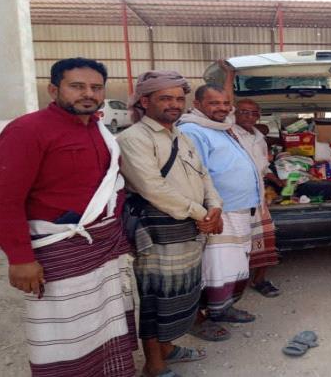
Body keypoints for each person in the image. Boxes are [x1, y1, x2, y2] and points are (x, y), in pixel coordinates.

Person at [0, 57, 137, 376]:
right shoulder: (27, 130)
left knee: (107, 320)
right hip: (60, 249)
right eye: (77, 86)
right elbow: (7, 200)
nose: (89, 94)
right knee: (66, 332)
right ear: (54, 90)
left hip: (105, 245)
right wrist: (20, 258)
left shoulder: (99, 129)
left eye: (96, 87)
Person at [118, 70, 223, 377]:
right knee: (158, 298)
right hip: (157, 230)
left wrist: (215, 207)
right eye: (165, 98)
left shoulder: (182, 136)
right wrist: (202, 214)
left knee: (183, 293)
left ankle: (167, 348)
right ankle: (154, 364)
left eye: (179, 98)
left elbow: (204, 176)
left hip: (190, 227)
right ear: (144, 101)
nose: (174, 104)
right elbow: (153, 188)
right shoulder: (132, 138)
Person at [178, 85, 262, 334]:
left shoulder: (220, 127)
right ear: (197, 104)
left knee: (231, 264)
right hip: (218, 212)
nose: (223, 108)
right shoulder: (192, 130)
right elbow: (195, 177)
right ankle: (201, 317)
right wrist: (208, 211)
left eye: (226, 103)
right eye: (214, 103)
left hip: (238, 207)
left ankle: (222, 308)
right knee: (213, 266)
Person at [232, 98, 282, 297]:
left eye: (254, 113)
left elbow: (263, 166)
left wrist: (277, 181)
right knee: (236, 246)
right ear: (234, 113)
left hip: (258, 199)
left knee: (265, 240)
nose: (249, 116)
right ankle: (231, 287)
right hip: (235, 200)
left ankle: (259, 280)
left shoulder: (260, 137)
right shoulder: (229, 132)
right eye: (244, 112)